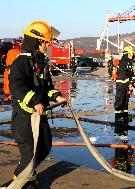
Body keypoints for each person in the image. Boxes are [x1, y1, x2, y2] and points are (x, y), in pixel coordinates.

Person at [9, 20, 66, 189]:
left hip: (39, 117)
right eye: (45, 42)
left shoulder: (40, 62)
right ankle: (23, 183)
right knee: (28, 155)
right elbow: (16, 86)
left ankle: (28, 177)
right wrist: (35, 101)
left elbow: (46, 87)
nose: (47, 45)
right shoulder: (21, 62)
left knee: (45, 146)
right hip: (25, 119)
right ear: (35, 41)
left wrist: (57, 97)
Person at [114, 46, 135, 122]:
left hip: (127, 84)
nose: (132, 55)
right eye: (130, 54)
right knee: (120, 100)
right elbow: (124, 75)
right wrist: (129, 84)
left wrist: (134, 81)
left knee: (126, 101)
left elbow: (131, 74)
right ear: (126, 54)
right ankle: (118, 117)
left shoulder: (130, 63)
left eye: (132, 54)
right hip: (121, 84)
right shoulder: (122, 62)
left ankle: (125, 116)